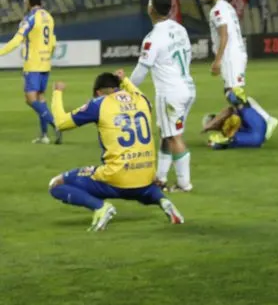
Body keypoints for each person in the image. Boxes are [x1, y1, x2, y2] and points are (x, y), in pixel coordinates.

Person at [47, 71, 184, 231]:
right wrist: (125, 79)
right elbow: (137, 93)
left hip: (117, 176)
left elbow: (60, 123)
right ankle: (164, 202)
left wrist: (57, 92)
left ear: (98, 92)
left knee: (57, 184)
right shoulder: (142, 99)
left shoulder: (99, 104)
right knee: (139, 188)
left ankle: (100, 208)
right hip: (146, 176)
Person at [129, 0, 196, 192]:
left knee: (174, 136)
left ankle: (184, 183)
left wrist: (124, 89)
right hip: (188, 87)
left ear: (151, 9)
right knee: (167, 133)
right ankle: (160, 177)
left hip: (170, 92)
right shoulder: (180, 29)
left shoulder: (153, 38)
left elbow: (141, 70)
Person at [201, 0, 278, 137]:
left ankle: (267, 119)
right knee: (233, 93)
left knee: (234, 94)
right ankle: (246, 124)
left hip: (230, 56)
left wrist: (218, 59)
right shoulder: (226, 7)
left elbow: (224, 34)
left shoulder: (218, 9)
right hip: (234, 54)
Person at [0, 0, 60, 144]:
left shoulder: (30, 18)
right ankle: (44, 135)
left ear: (28, 1)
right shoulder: (48, 16)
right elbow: (53, 42)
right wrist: (48, 56)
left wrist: (1, 52)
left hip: (33, 64)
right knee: (40, 98)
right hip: (46, 64)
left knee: (30, 98)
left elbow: (17, 39)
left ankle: (56, 124)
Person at [201, 89, 268, 149]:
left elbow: (229, 112)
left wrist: (209, 126)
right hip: (257, 130)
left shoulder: (233, 114)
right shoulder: (244, 111)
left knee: (224, 140)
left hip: (254, 136)